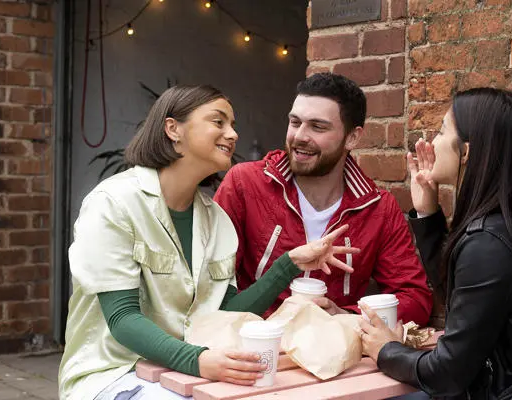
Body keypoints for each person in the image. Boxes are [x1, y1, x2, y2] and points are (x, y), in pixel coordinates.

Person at [58, 85, 359, 400]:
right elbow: (122, 318)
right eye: (219, 122)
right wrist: (199, 360)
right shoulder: (113, 203)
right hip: (113, 374)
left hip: (184, 372)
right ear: (173, 129)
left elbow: (226, 311)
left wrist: (290, 264)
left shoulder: (217, 221)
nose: (233, 134)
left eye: (233, 125)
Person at [359, 88, 512, 399]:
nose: (431, 143)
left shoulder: (491, 241)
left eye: (440, 132)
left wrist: (386, 350)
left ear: (467, 153)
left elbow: (447, 374)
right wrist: (427, 213)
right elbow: (462, 299)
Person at [214, 73, 432, 326]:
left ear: (352, 138)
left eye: (317, 127)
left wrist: (347, 316)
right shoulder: (244, 184)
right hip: (253, 349)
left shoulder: (378, 208)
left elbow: (414, 299)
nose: (299, 136)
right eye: (295, 123)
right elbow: (211, 288)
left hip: (332, 357)